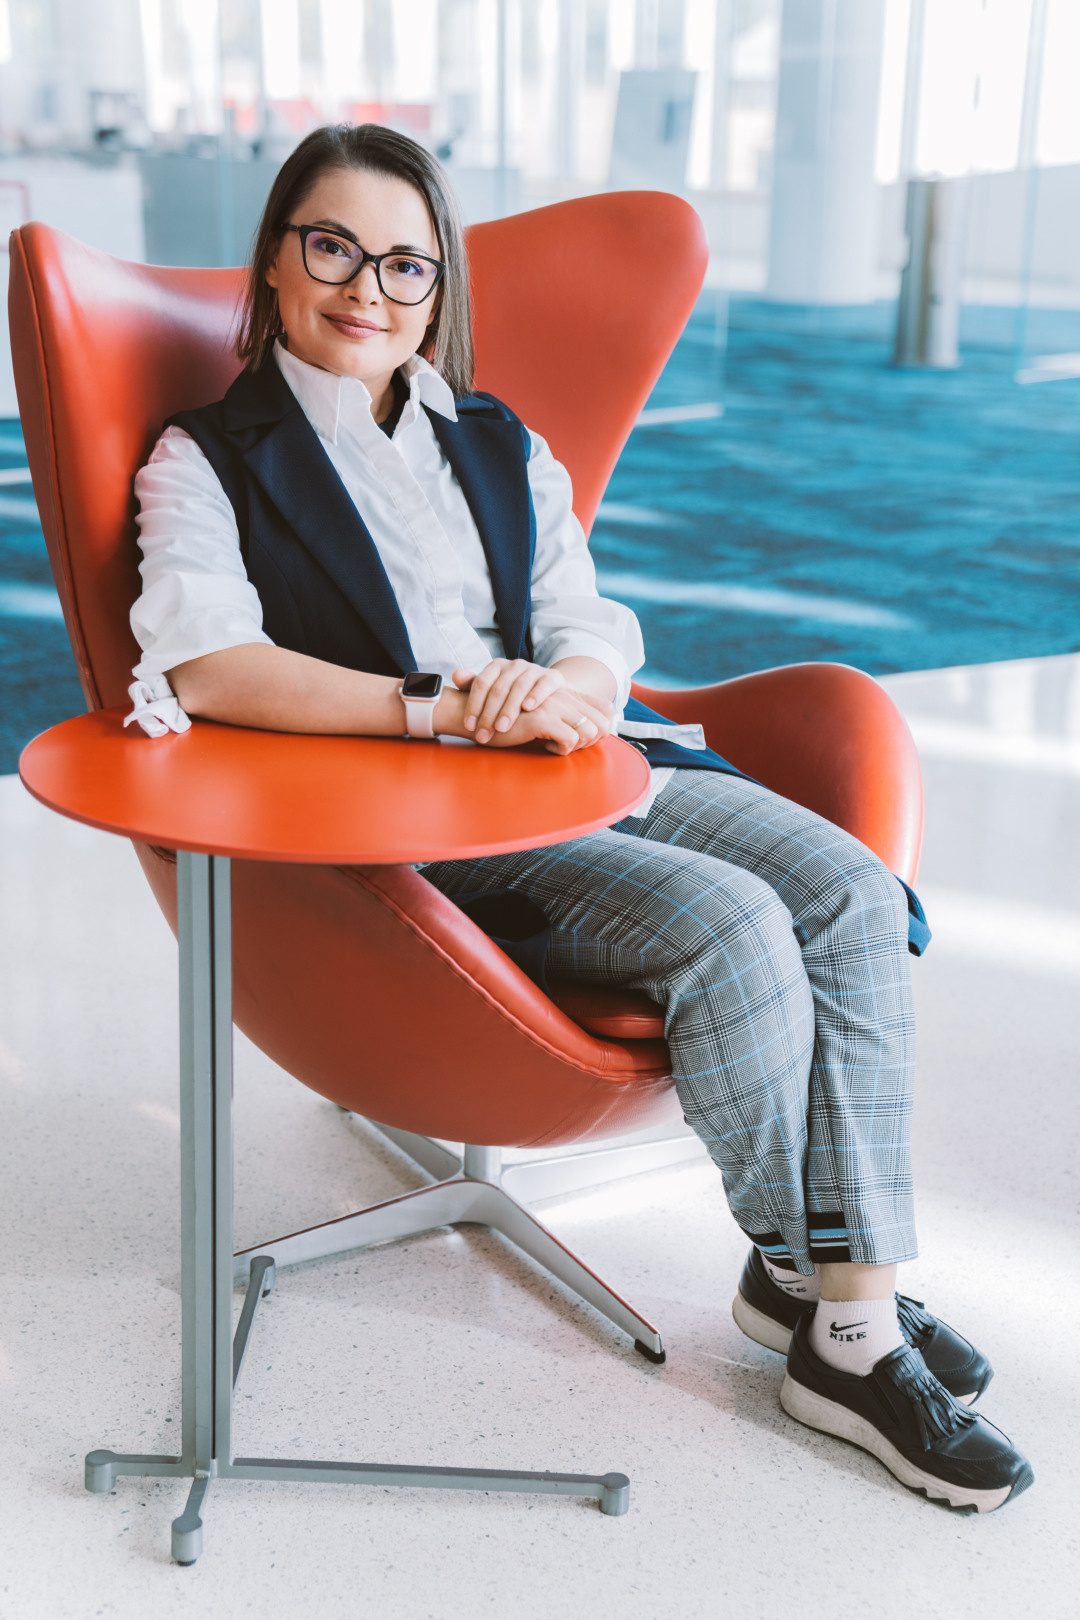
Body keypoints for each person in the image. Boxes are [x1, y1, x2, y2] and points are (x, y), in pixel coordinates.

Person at [127, 123, 1031, 1513]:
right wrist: (440, 706)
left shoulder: (492, 439)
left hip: (600, 758)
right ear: (274, 258)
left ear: (441, 290)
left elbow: (586, 614)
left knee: (846, 888)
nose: (369, 287)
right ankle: (842, 1320)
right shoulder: (209, 457)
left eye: (407, 264)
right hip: (436, 831)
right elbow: (207, 661)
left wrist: (578, 684)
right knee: (734, 928)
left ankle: (819, 1294)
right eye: (333, 246)